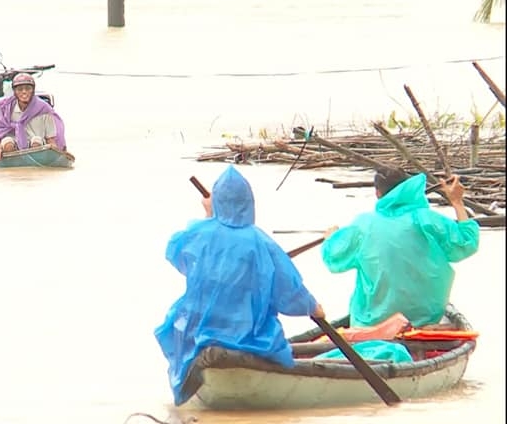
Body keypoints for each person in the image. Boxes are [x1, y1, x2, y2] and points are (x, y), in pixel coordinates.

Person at [155, 166, 325, 406]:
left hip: (197, 332)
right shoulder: (262, 242)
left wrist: (208, 217)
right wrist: (314, 308)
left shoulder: (198, 234)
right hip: (250, 337)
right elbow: (290, 292)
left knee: (177, 321)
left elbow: (176, 253)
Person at [321, 171, 479, 329]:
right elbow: (467, 242)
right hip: (425, 319)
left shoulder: (363, 224)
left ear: (377, 193)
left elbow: (333, 258)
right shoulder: (427, 219)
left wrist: (331, 238)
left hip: (373, 322)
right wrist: (457, 202)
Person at [0, 73, 66, 161]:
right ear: (14, 91)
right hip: (13, 144)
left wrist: (59, 154)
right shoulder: (7, 107)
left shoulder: (44, 109)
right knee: (7, 143)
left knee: (36, 141)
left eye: (28, 89)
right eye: (19, 89)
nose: (24, 92)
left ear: (33, 90)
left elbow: (51, 139)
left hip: (37, 145)